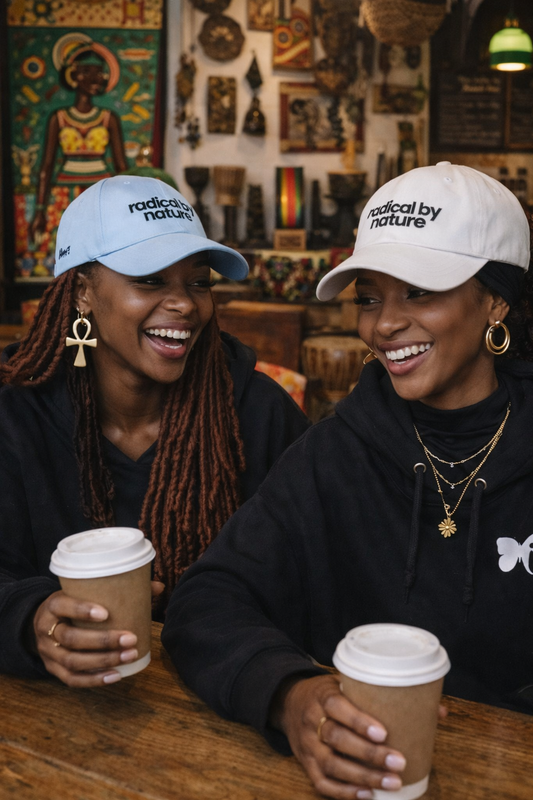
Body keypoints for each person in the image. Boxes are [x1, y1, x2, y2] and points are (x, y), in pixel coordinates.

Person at [161, 162, 533, 799]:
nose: (383, 324)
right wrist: (291, 696)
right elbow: (207, 599)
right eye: (369, 297)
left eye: (419, 291)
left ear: (495, 299)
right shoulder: (334, 453)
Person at [0, 175, 309, 688]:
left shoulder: (258, 413)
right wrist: (33, 620)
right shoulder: (16, 416)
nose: (185, 304)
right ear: (82, 292)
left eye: (198, 281)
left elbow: (313, 573)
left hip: (227, 707)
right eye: (149, 280)